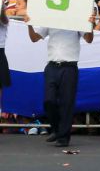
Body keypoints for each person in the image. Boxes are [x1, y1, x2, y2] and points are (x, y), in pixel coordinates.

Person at [27, 13, 95, 147]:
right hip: (52, 66)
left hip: (69, 67)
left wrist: (90, 25)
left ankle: (63, 138)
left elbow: (88, 39)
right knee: (48, 100)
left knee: (66, 103)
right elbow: (34, 38)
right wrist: (29, 24)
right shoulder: (51, 19)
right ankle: (57, 129)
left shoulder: (77, 20)